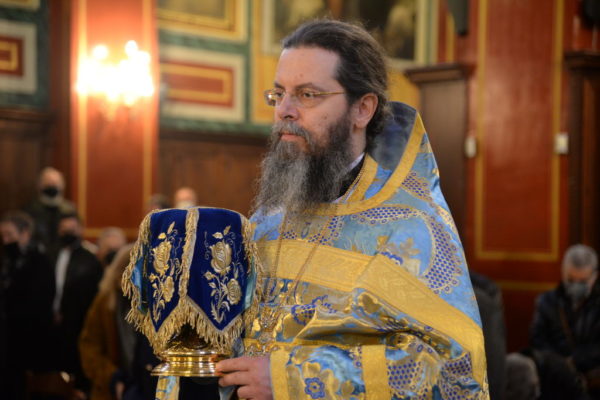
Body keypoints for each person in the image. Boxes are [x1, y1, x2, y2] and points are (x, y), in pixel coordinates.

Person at [153, 19, 487, 399]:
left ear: (362, 109)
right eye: (278, 94)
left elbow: (452, 368)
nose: (285, 111)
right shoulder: (268, 220)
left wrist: (293, 381)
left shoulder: (413, 229)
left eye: (307, 95)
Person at [79, 244, 160, 400]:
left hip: (148, 386)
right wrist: (112, 377)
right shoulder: (105, 303)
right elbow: (89, 347)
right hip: (112, 388)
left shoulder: (155, 303)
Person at [530, 243, 600, 399]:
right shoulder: (546, 302)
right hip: (555, 382)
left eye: (583, 281)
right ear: (563, 273)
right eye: (571, 280)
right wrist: (560, 364)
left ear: (594, 277)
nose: (576, 286)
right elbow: (537, 341)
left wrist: (575, 360)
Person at [0, 211, 55, 399]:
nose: (5, 241)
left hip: (30, 339)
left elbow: (40, 301)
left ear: (25, 234)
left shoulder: (40, 261)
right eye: (3, 236)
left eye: (10, 235)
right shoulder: (8, 260)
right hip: (9, 338)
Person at [50, 212, 103, 395]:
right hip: (50, 324)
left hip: (76, 325)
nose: (68, 233)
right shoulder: (50, 254)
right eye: (64, 229)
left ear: (80, 230)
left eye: (72, 229)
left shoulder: (90, 260)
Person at [23, 167, 78, 253]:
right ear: (40, 185)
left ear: (62, 185)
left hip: (63, 252)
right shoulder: (30, 209)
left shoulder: (69, 209)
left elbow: (76, 234)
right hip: (37, 253)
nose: (52, 186)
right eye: (48, 183)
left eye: (55, 183)